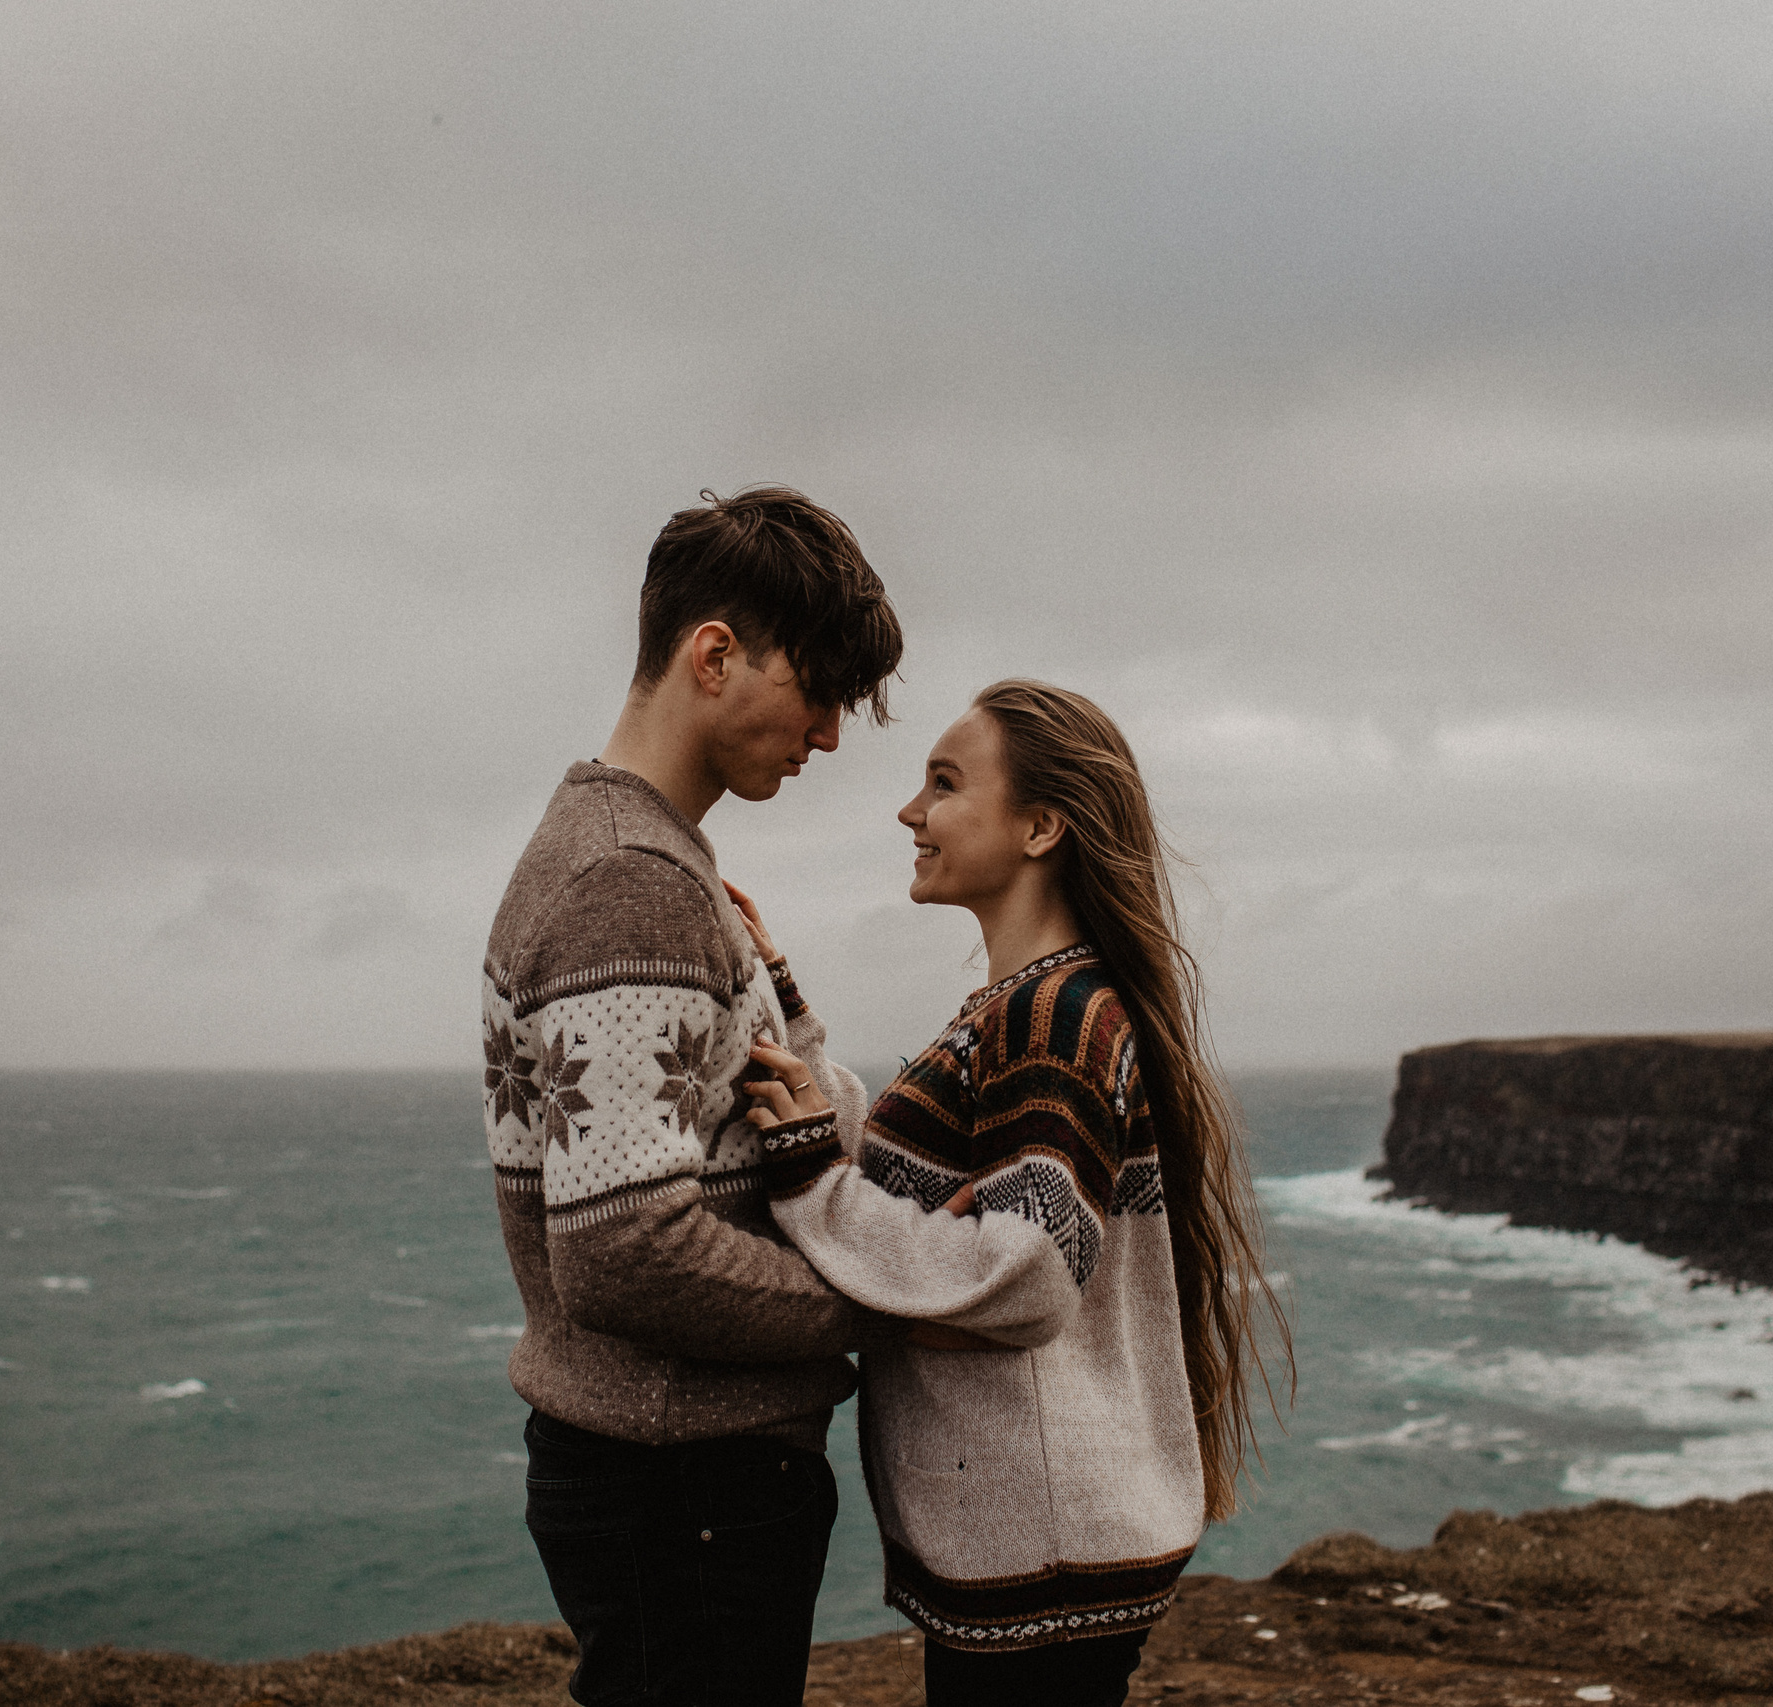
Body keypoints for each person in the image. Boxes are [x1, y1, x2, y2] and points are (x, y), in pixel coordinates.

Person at [736, 679, 1291, 1707]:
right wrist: (787, 1014)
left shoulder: (1057, 1019)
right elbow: (905, 1178)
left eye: (944, 785)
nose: (911, 812)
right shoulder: (1024, 1008)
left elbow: (1025, 1276)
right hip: (1048, 1536)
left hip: (1046, 1548)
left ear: (1040, 826)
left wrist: (815, 1187)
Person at [478, 487, 907, 1707]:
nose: (826, 736)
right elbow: (622, 1251)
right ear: (714, 655)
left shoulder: (632, 859)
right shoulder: (632, 882)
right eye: (816, 691)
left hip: (667, 1476)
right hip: (683, 1480)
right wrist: (875, 1309)